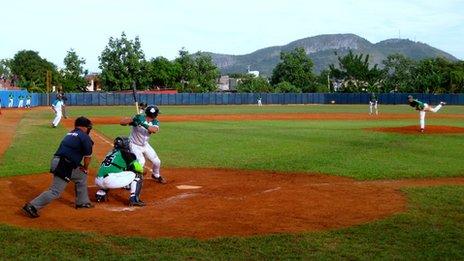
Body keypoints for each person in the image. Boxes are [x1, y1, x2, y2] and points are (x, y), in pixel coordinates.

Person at [22, 117, 94, 218]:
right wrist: (85, 167)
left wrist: (81, 168)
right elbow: (87, 157)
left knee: (81, 176)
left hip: (58, 161)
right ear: (85, 127)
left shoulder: (70, 133)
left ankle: (82, 202)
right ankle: (32, 206)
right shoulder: (85, 137)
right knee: (55, 191)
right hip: (64, 164)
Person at [120, 105, 166, 184]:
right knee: (141, 162)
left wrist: (142, 124)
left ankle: (156, 175)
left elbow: (153, 130)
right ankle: (129, 180)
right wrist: (133, 119)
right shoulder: (138, 118)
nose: (157, 115)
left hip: (145, 145)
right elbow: (122, 122)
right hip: (134, 145)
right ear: (154, 114)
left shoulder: (155, 122)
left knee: (157, 161)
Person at [95, 137, 145, 206]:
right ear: (125, 145)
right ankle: (134, 199)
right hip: (109, 180)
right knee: (137, 174)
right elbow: (139, 168)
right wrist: (142, 171)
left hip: (97, 180)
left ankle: (100, 194)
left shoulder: (110, 153)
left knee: (112, 171)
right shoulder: (127, 154)